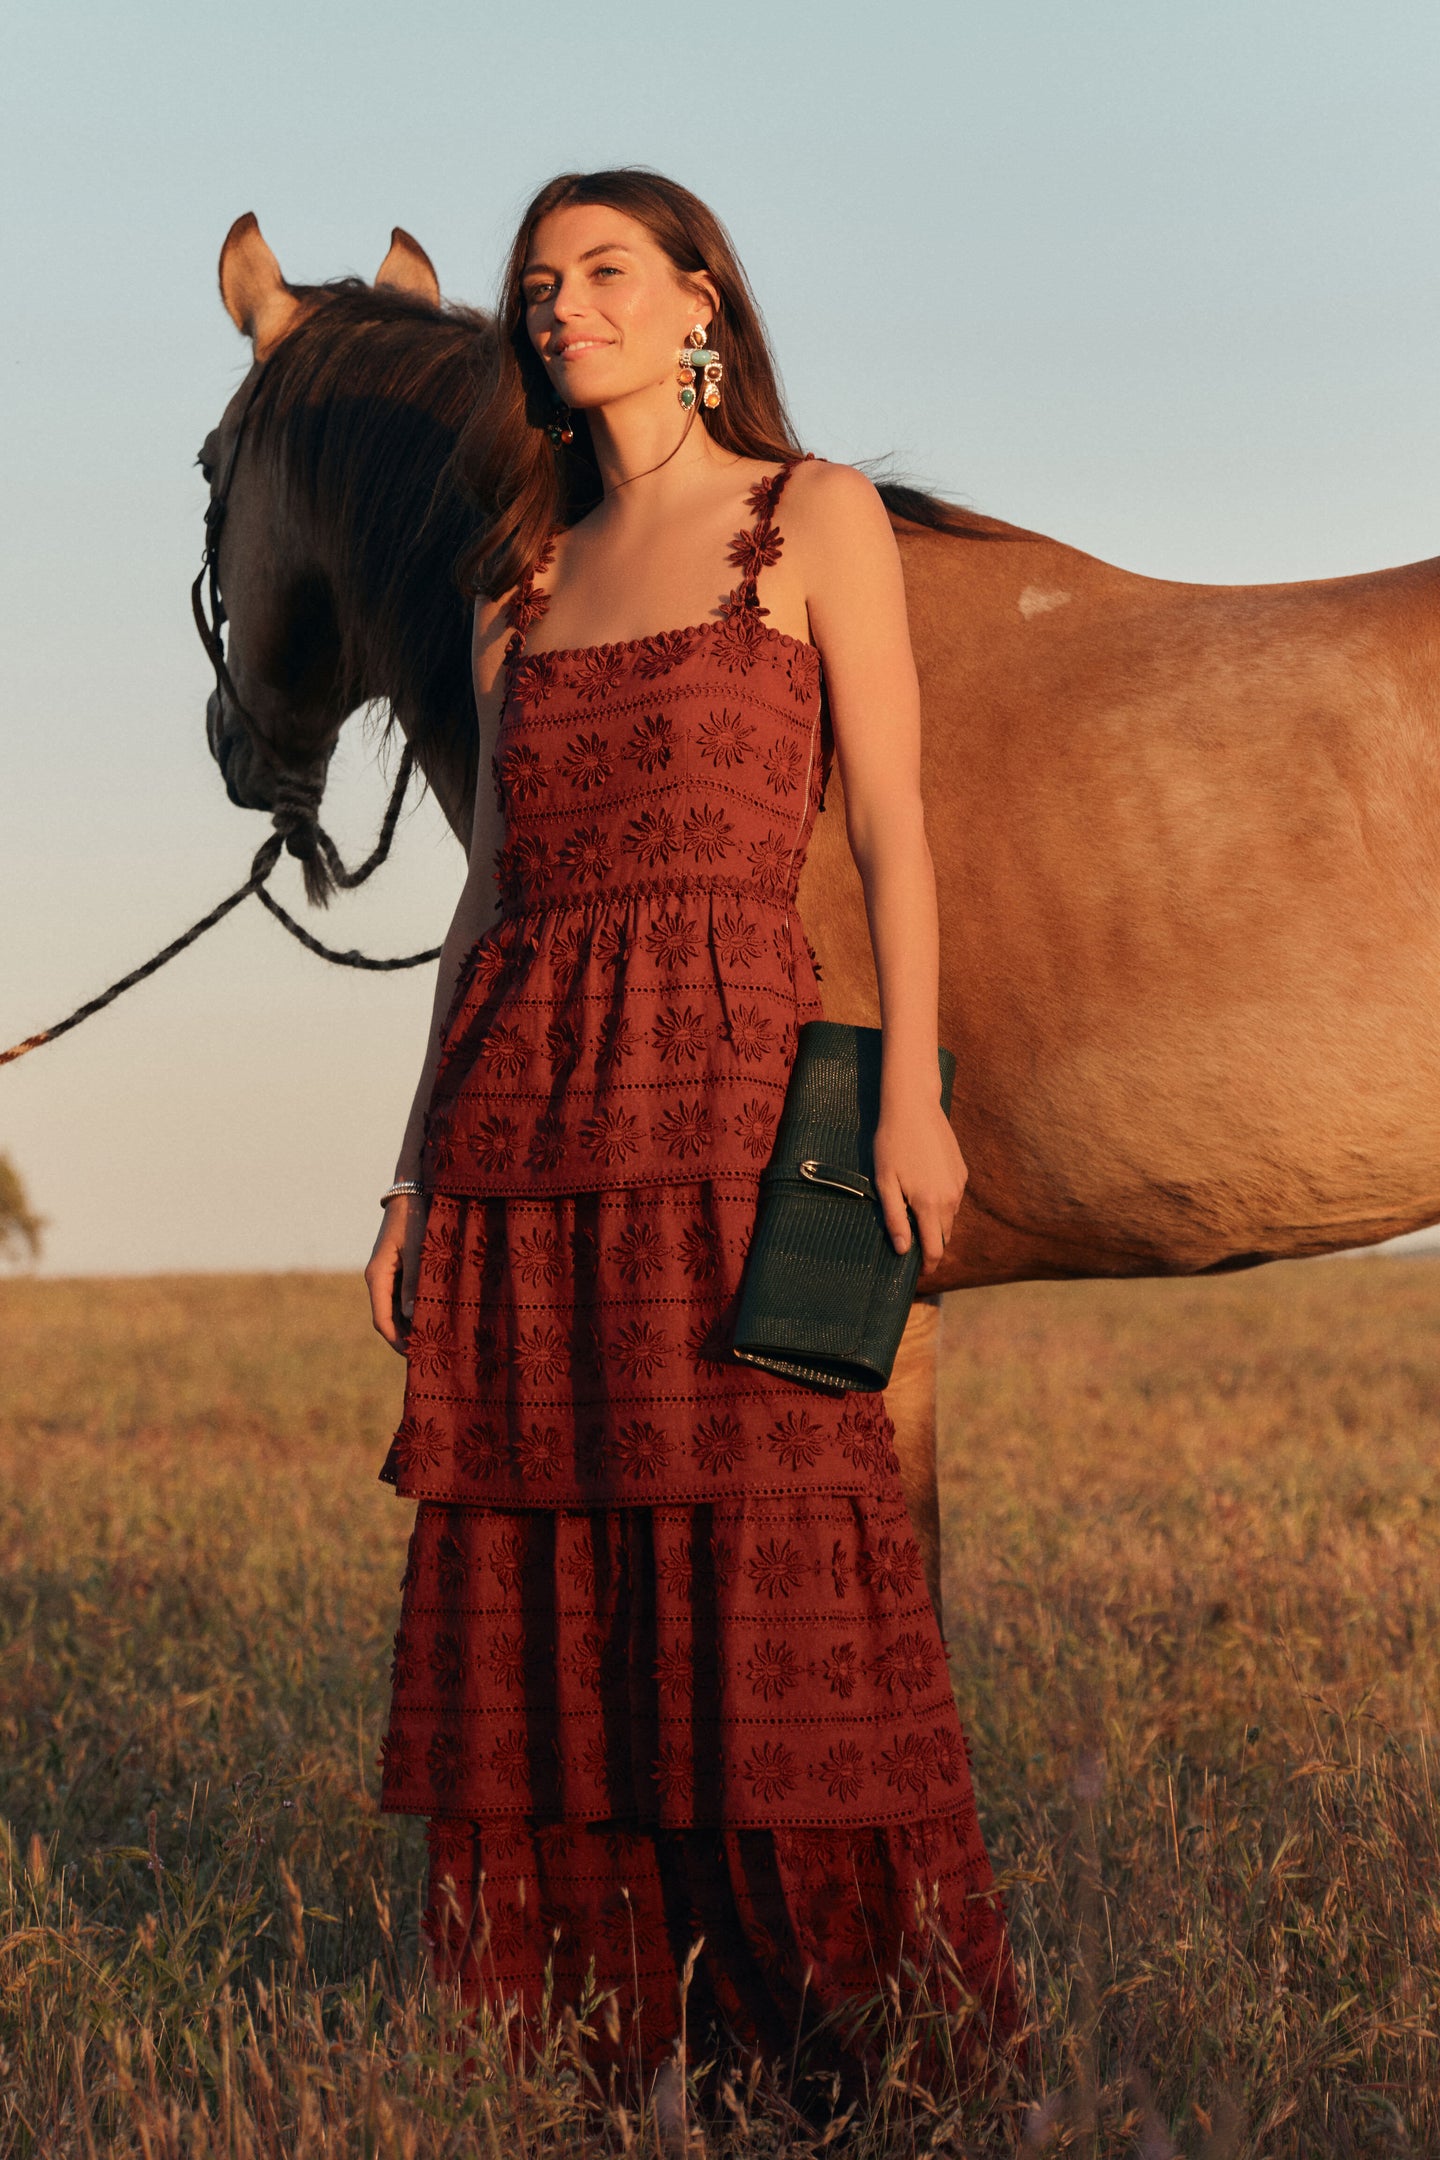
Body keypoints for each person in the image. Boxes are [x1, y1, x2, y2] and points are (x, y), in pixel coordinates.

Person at [365, 168, 1020, 2112]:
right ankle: (600, 2045)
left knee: (778, 1549)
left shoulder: (807, 519)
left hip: (732, 1085)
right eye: (539, 284)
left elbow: (893, 825)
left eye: (605, 273)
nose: (562, 307)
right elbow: (488, 899)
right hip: (518, 1121)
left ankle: (857, 2045)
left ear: (698, 302)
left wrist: (908, 1092)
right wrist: (413, 1170)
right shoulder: (521, 575)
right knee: (554, 1569)